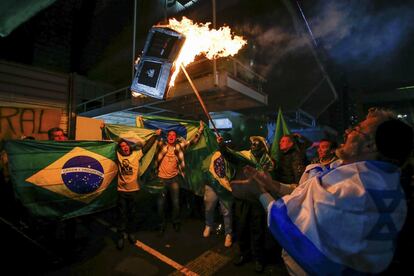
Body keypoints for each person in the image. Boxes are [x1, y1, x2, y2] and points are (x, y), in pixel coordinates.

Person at [231, 107, 413, 275]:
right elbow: (300, 194)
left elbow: (292, 225)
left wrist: (260, 192)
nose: (347, 132)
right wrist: (271, 185)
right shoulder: (384, 184)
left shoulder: (353, 190)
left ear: (370, 146)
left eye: (356, 129)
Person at [219, 135, 274, 273]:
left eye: (256, 145)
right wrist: (222, 146)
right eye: (252, 144)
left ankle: (258, 259)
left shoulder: (268, 162)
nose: (253, 146)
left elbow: (267, 179)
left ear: (262, 148)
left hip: (257, 201)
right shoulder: (243, 156)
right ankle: (244, 253)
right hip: (242, 199)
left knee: (257, 231)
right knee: (242, 228)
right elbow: (230, 156)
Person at [116, 129, 161, 249]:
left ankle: (131, 233)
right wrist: (103, 129)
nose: (124, 148)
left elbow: (147, 147)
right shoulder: (117, 155)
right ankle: (121, 235)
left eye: (126, 145)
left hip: (134, 191)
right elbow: (107, 144)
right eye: (122, 146)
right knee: (122, 214)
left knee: (132, 213)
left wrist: (155, 136)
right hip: (121, 191)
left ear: (129, 146)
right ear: (120, 148)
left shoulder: (137, 154)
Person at [156, 121, 204, 233]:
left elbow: (193, 141)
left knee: (176, 203)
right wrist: (155, 134)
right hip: (161, 179)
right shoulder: (160, 145)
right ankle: (161, 224)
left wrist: (200, 129)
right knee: (160, 204)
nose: (171, 137)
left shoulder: (180, 146)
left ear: (176, 137)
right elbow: (147, 142)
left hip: (174, 180)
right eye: (170, 135)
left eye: (173, 135)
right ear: (167, 137)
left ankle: (175, 222)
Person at [203, 151, 234, 248]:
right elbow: (204, 166)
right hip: (212, 185)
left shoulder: (233, 157)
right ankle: (208, 225)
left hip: (225, 188)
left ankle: (228, 234)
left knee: (227, 212)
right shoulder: (213, 154)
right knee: (209, 207)